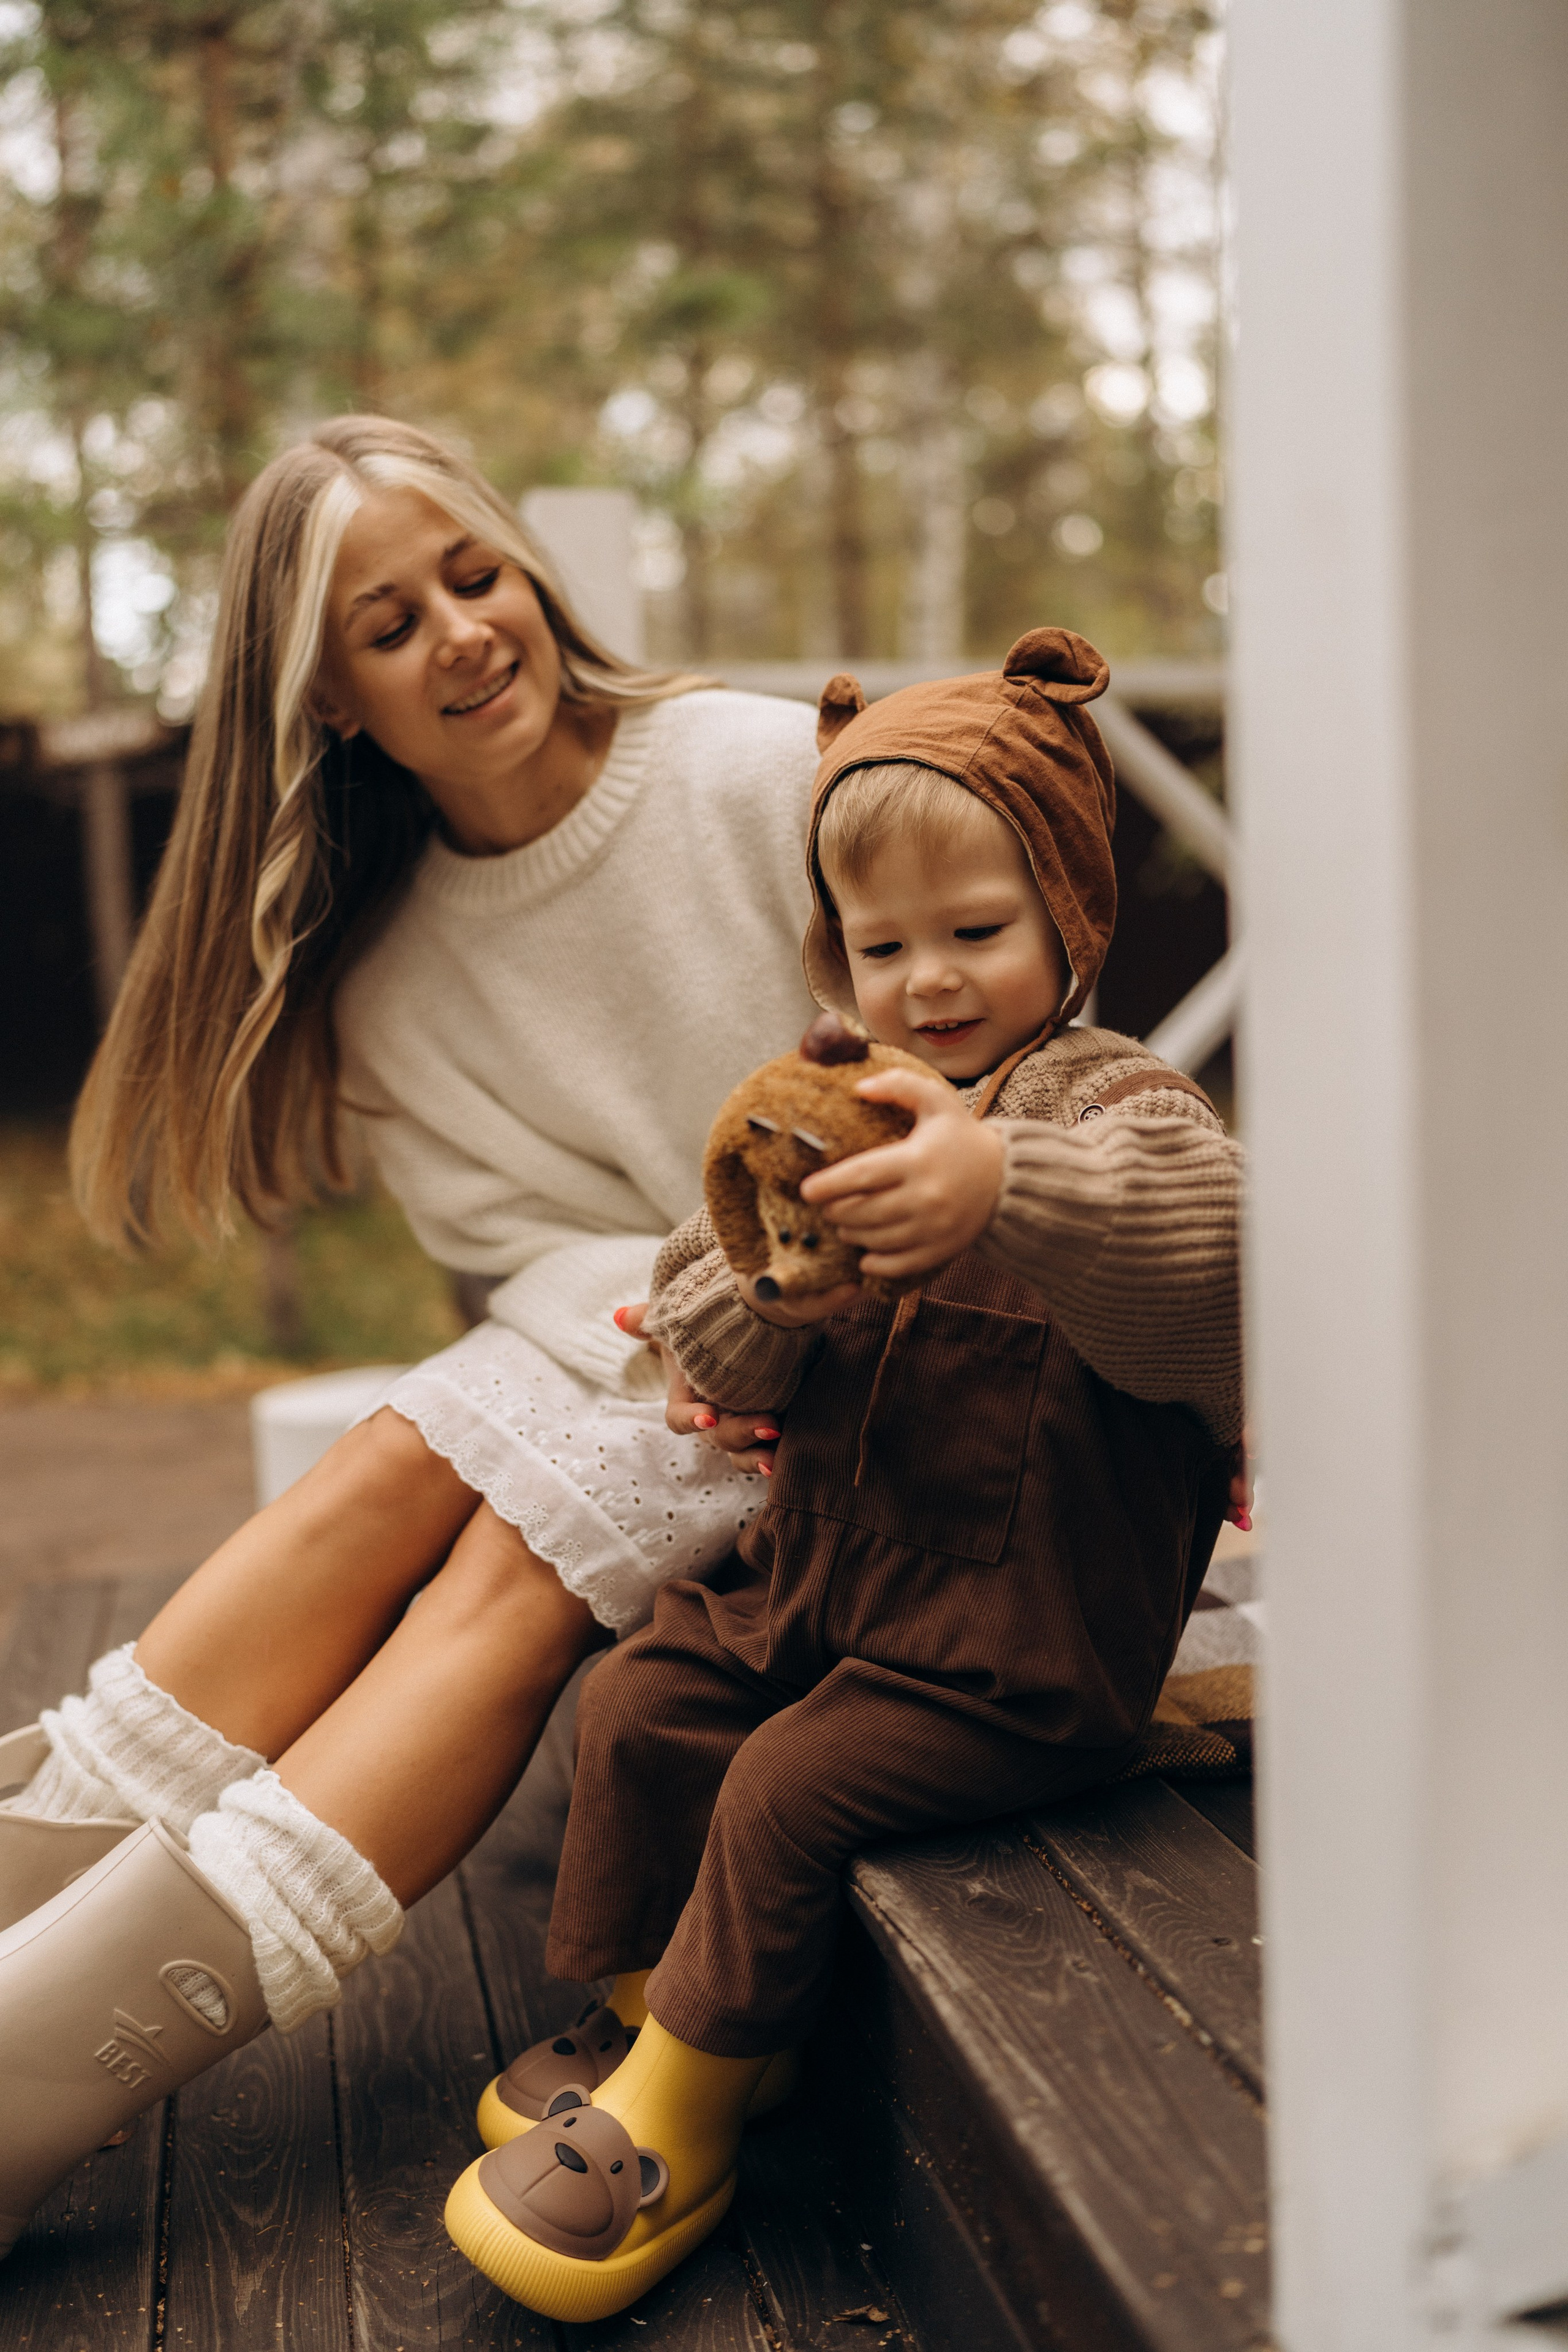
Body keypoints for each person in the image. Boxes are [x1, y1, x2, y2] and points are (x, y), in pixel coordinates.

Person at [0, 415, 824, 2254]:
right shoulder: (389, 968)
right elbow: (516, 1253)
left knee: (513, 1569)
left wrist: (743, 1309)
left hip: (876, 1339)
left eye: (474, 572)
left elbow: (979, 1027)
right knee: (402, 1458)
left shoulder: (767, 771)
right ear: (331, 705)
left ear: (529, 571)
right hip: (651, 1347)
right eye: (390, 623)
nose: (463, 630)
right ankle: (23, 1895)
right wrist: (671, 1319)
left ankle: (28, 2076)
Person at [443, 629, 1246, 2324]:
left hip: (1020, 1653)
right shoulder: (820, 1112)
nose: (931, 982)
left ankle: (692, 2107)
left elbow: (1202, 1269)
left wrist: (1002, 1188)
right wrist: (761, 1288)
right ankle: (654, 1994)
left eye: (977, 930)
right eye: (885, 944)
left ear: (1069, 921)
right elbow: (701, 1338)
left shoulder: (1120, 1112)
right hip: (826, 1591)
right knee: (649, 1693)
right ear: (833, 952)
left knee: (788, 1790)